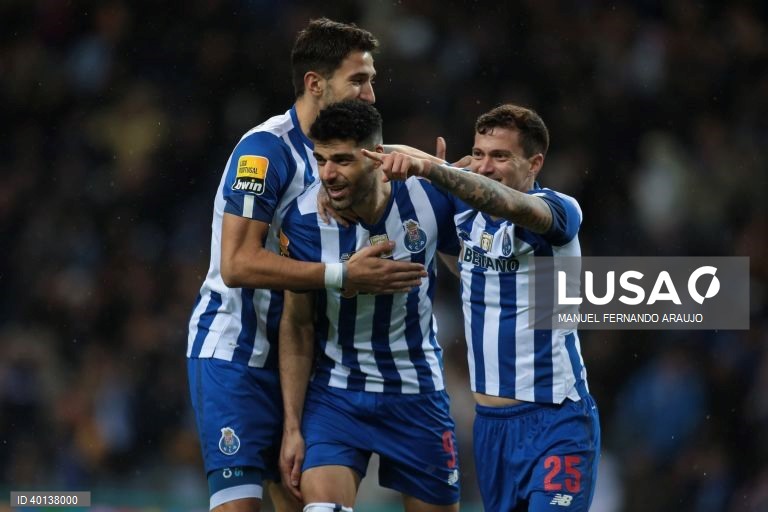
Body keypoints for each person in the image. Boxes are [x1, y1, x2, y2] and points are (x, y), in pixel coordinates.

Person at [186, 19, 427, 512]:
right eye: (358, 80)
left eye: (372, 80)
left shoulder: (348, 150)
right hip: (237, 352)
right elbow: (236, 264)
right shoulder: (265, 151)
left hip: (303, 358)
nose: (371, 94)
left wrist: (454, 171)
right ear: (316, 84)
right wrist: (343, 276)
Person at [365, 104, 601, 511]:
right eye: (478, 154)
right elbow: (466, 260)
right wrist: (374, 156)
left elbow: (508, 205)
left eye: (501, 156)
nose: (486, 166)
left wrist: (439, 173)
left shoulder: (559, 211)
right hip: (491, 428)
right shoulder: (464, 213)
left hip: (556, 418)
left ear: (535, 163)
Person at [278, 100, 461, 512]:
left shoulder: (428, 196)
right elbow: (297, 324)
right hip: (337, 394)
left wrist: (451, 176)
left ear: (376, 158)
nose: (328, 174)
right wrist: (292, 426)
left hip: (417, 394)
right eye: (321, 160)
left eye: (342, 160)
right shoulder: (305, 221)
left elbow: (470, 267)